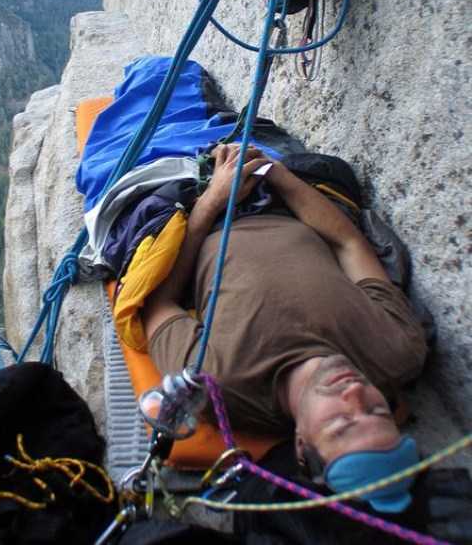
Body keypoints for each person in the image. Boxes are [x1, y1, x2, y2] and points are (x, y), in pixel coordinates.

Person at [141, 143, 428, 511]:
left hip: (195, 215)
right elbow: (347, 242)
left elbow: (158, 306)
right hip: (290, 194)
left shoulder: (217, 382)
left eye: (341, 422)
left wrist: (212, 200)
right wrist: (275, 173)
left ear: (300, 444)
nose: (355, 395)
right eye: (377, 411)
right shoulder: (396, 349)